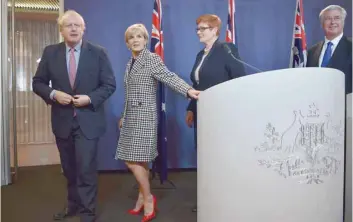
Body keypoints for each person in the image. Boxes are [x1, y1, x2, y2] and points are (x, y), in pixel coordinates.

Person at [32, 10, 116, 222]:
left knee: (86, 169)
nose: (73, 29)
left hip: (88, 121)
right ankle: (72, 207)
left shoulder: (98, 52)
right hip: (62, 122)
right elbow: (38, 83)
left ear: (83, 29)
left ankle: (87, 213)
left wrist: (89, 98)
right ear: (61, 30)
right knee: (69, 169)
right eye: (68, 25)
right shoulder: (50, 52)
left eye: (77, 25)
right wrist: (53, 94)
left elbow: (109, 85)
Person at [115, 23, 200, 222]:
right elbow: (129, 94)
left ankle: (149, 199)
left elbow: (169, 77)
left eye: (139, 36)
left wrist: (188, 91)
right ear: (127, 43)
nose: (136, 40)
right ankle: (141, 199)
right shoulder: (130, 63)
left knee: (132, 160)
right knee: (140, 161)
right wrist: (123, 115)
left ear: (146, 40)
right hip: (131, 117)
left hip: (144, 118)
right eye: (131, 37)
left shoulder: (151, 59)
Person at [185, 14, 246, 212]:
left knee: (221, 157)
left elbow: (239, 81)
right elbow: (197, 84)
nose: (199, 32)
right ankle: (207, 198)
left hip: (221, 114)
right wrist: (190, 109)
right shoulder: (200, 55)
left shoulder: (227, 49)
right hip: (202, 113)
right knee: (204, 157)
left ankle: (225, 199)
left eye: (203, 28)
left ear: (215, 30)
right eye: (198, 29)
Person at [306, 5, 352, 94]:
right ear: (322, 24)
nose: (332, 22)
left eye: (337, 18)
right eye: (328, 18)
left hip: (344, 104)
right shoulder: (311, 51)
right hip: (316, 103)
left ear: (343, 22)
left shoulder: (351, 47)